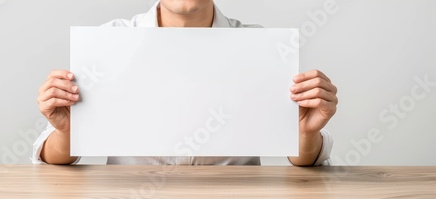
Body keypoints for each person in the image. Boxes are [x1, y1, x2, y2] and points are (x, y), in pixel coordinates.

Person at [33, 0, 338, 166]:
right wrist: (70, 132)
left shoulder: (263, 48)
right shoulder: (109, 44)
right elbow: (52, 158)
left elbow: (303, 161)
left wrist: (304, 133)